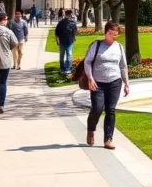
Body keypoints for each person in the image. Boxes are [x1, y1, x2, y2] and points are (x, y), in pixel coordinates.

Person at [85, 21, 129, 150]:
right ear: (106, 33)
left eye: (116, 34)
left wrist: (127, 83)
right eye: (111, 34)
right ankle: (91, 130)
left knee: (111, 110)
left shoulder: (119, 47)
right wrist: (90, 78)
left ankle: (108, 139)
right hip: (97, 83)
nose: (113, 37)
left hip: (114, 82)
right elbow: (87, 62)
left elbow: (123, 66)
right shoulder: (96, 45)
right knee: (97, 109)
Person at [55, 9, 78, 75]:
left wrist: (57, 40)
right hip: (65, 41)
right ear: (70, 15)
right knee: (67, 54)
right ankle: (65, 69)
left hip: (68, 41)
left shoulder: (65, 22)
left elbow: (74, 32)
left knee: (66, 54)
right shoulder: (62, 23)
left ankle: (66, 69)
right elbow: (57, 32)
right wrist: (57, 39)